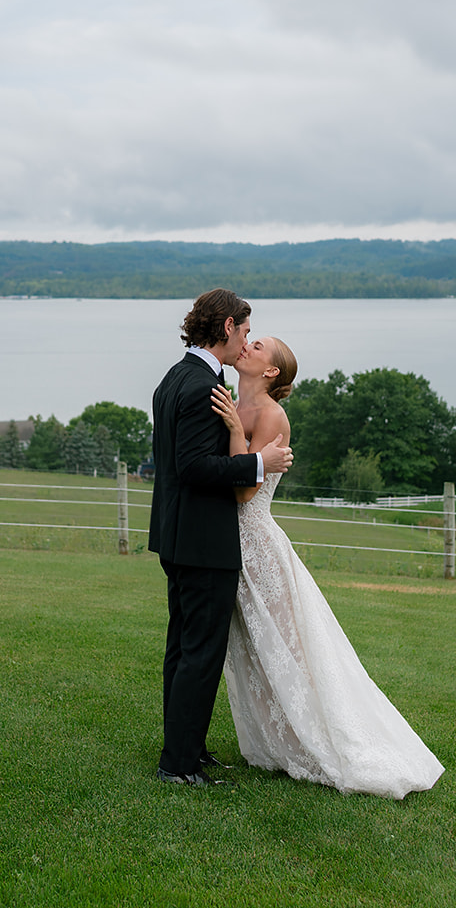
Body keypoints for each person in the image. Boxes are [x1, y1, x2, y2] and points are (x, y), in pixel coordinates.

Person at [211, 335, 444, 799]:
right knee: (250, 649)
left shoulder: (272, 416)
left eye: (258, 345)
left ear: (272, 371)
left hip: (257, 545)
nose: (247, 345)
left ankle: (315, 740)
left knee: (285, 648)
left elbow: (243, 492)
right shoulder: (234, 400)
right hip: (228, 543)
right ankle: (272, 742)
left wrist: (236, 430)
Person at [149, 288, 293, 786]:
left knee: (183, 648)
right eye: (247, 331)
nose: (247, 341)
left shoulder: (176, 377)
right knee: (200, 653)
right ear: (228, 327)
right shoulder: (199, 385)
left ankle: (186, 746)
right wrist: (258, 461)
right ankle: (178, 764)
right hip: (204, 541)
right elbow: (191, 467)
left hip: (178, 535)